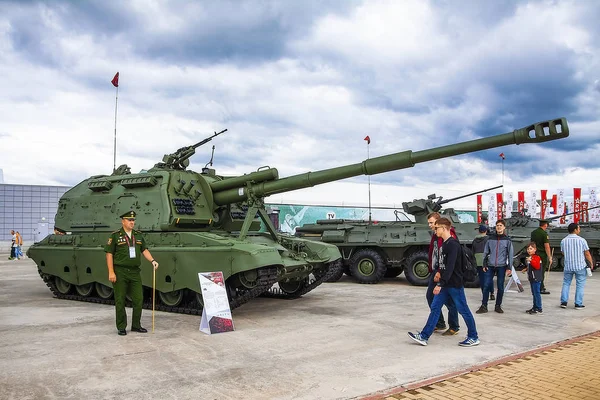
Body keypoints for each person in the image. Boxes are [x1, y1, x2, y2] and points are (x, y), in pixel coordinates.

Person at [408, 217, 480, 347]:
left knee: (463, 310)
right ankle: (424, 336)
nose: (434, 230)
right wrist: (439, 274)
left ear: (444, 228)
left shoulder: (453, 244)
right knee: (435, 308)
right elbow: (444, 264)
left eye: (437, 228)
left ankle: (473, 336)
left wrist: (440, 284)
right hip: (445, 284)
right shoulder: (444, 243)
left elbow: (451, 266)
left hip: (454, 284)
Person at [104, 211, 159, 336]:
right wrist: (111, 272)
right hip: (120, 271)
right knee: (120, 300)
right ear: (123, 221)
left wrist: (152, 260)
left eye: (133, 220)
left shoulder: (138, 236)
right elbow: (109, 254)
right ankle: (121, 326)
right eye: (129, 220)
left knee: (138, 299)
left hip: (134, 272)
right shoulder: (115, 236)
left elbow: (144, 250)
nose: (132, 222)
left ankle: (136, 325)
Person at [426, 212, 459, 336]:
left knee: (451, 301)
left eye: (432, 223)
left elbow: (447, 257)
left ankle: (454, 326)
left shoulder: (448, 236)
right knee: (431, 296)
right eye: (429, 223)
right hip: (436, 269)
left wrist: (440, 271)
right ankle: (440, 323)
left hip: (443, 271)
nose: (430, 225)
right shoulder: (435, 235)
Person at [477, 219, 513, 314]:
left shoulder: (507, 240)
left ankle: (498, 305)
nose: (499, 227)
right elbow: (486, 252)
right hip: (490, 265)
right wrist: (484, 263)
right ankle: (484, 306)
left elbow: (510, 254)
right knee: (486, 285)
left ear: (504, 227)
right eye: (497, 225)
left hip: (501, 266)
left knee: (500, 287)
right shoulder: (490, 239)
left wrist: (509, 267)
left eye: (501, 225)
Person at [560, 223, 593, 310]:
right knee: (580, 285)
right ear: (575, 229)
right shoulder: (582, 240)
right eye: (578, 228)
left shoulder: (563, 240)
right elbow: (587, 253)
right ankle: (578, 304)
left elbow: (563, 252)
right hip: (580, 266)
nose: (579, 230)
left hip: (568, 266)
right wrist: (591, 263)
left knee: (566, 283)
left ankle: (564, 302)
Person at [471, 224, 493, 300]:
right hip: (487, 260)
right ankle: (492, 293)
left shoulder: (474, 240)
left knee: (482, 278)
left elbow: (473, 251)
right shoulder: (489, 239)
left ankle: (484, 293)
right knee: (489, 277)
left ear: (479, 231)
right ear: (486, 231)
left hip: (478, 261)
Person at [531, 220, 553, 294]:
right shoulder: (544, 234)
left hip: (535, 254)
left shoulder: (533, 232)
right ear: (545, 225)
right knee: (541, 271)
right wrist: (550, 257)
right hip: (542, 255)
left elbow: (532, 244)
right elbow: (546, 246)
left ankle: (536, 287)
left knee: (535, 271)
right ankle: (541, 288)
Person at [521, 242, 543, 314]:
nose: (529, 250)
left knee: (536, 293)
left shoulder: (536, 257)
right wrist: (526, 269)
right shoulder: (531, 257)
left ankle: (538, 307)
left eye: (531, 249)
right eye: (528, 249)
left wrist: (531, 261)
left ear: (535, 250)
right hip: (532, 278)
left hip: (536, 278)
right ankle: (534, 306)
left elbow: (537, 266)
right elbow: (531, 266)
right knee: (534, 293)